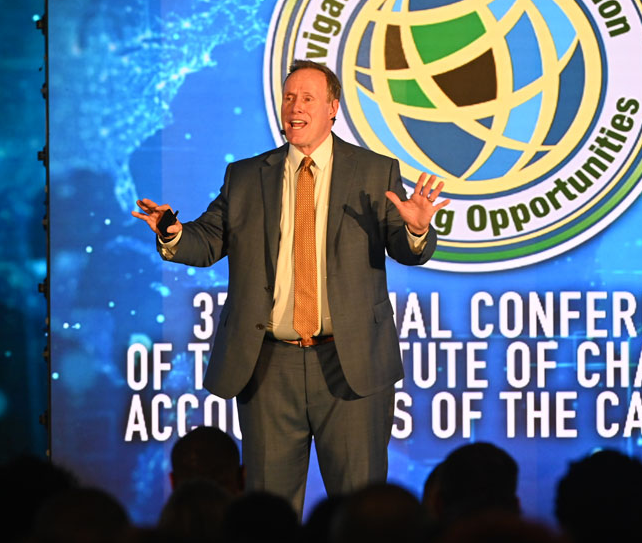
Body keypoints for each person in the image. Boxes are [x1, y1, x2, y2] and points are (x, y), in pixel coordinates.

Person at [132, 59, 449, 514]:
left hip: (350, 364)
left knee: (360, 516)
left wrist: (417, 229)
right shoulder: (246, 176)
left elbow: (406, 249)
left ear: (332, 108)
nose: (295, 107)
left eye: (307, 99)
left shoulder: (373, 171)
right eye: (289, 98)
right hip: (268, 367)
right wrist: (171, 231)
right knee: (267, 516)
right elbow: (207, 241)